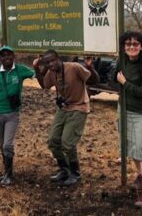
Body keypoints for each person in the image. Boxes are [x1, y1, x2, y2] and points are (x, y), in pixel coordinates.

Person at [33, 50, 99, 186]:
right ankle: (64, 169)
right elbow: (44, 86)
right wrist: (36, 68)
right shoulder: (51, 72)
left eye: (52, 61)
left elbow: (95, 80)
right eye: (47, 62)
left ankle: (75, 173)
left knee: (67, 143)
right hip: (63, 107)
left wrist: (90, 66)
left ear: (58, 58)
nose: (51, 64)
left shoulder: (73, 67)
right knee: (53, 141)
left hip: (79, 106)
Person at [113, 31, 142, 207]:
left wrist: (125, 83)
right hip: (125, 109)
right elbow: (113, 79)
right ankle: (141, 176)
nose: (131, 47)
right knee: (131, 147)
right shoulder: (122, 59)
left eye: (135, 44)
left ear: (141, 46)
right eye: (128, 44)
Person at [0, 45, 35, 186]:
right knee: (3, 145)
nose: (6, 58)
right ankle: (8, 172)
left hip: (12, 114)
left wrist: (38, 64)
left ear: (13, 56)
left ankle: (8, 175)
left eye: (9, 55)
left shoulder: (20, 70)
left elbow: (36, 74)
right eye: (3, 55)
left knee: (8, 144)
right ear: (0, 58)